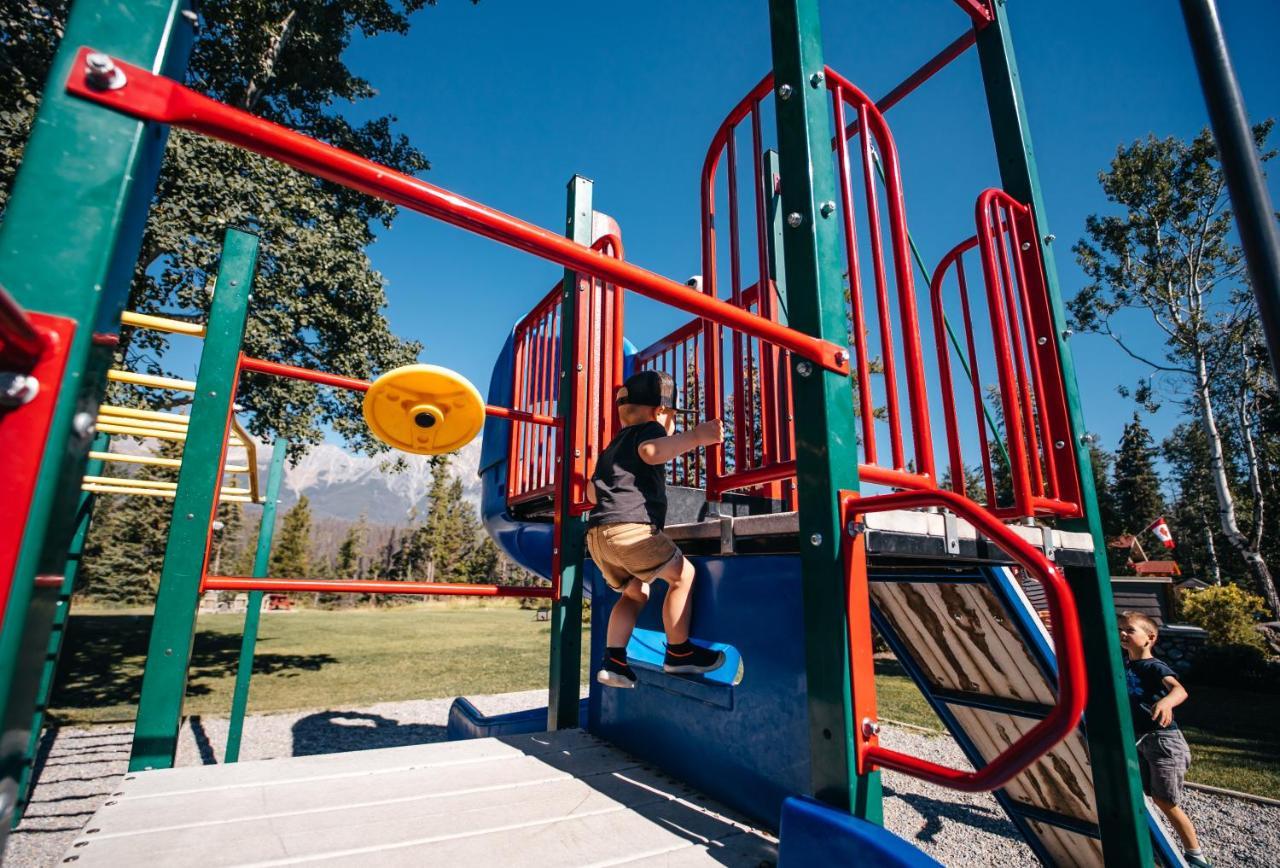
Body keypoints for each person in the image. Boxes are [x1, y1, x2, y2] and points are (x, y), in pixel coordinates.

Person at [585, 370, 725, 689]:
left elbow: (592, 493)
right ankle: (678, 653)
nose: (671, 425)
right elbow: (652, 452)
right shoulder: (648, 431)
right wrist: (698, 436)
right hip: (631, 530)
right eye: (673, 417)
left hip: (598, 536)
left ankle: (614, 661)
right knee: (683, 575)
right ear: (660, 412)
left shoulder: (612, 448)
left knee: (635, 592)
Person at [1118, 611, 1211, 867]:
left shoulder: (1153, 666)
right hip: (1140, 739)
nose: (1123, 634)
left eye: (1129, 630)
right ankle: (1149, 842)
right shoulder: (1124, 665)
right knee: (1139, 793)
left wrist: (1167, 702)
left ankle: (1195, 855)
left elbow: (1179, 690)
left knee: (1165, 800)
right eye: (1120, 630)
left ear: (1150, 638)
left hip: (1164, 742)